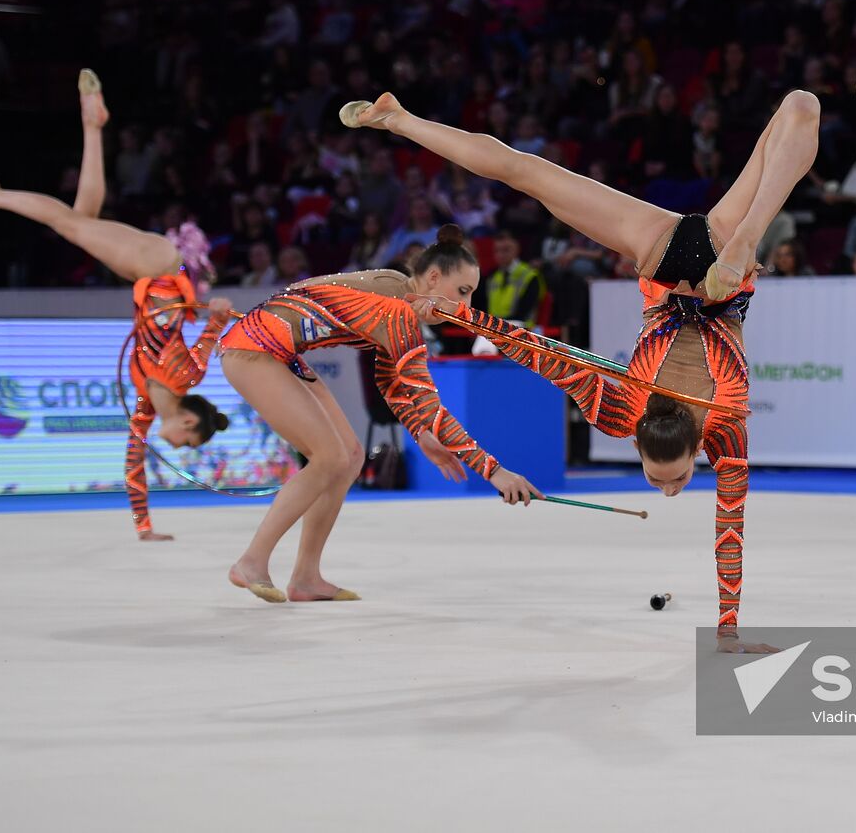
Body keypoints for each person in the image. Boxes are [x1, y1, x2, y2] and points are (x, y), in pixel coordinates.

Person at [341, 87, 821, 653]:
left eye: (659, 480)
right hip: (674, 259)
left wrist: (459, 312)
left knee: (798, 106)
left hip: (692, 265)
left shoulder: (712, 422)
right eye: (674, 480)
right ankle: (399, 120)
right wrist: (460, 316)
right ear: (685, 451)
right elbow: (540, 352)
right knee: (797, 106)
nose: (668, 491)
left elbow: (731, 529)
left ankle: (745, 242)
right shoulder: (639, 417)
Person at [0, 70, 233, 542]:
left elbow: (132, 464)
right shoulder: (187, 377)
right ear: (187, 420)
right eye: (190, 442)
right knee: (71, 224)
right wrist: (216, 311)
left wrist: (144, 526)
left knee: (80, 219)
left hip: (149, 276)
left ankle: (93, 125)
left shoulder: (144, 402)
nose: (182, 448)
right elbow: (213, 330)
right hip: (165, 269)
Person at [217, 230, 542, 603]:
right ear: (433, 279)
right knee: (330, 457)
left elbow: (389, 381)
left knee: (351, 458)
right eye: (463, 291)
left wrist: (422, 435)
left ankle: (306, 577)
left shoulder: (396, 294)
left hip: (280, 351)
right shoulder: (398, 310)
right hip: (254, 349)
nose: (465, 305)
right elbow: (427, 399)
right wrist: (495, 471)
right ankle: (251, 561)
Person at [485, 232, 546, 327]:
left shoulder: (530, 276)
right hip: (493, 329)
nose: (500, 255)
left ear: (517, 250)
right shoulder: (492, 277)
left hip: (522, 329)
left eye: (506, 250)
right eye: (497, 251)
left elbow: (525, 311)